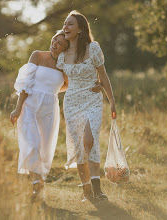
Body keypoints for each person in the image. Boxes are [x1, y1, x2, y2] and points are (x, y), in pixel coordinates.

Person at [10, 31, 102, 202]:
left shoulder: (64, 64)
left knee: (43, 148)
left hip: (49, 109)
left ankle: (39, 185)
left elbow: (72, 83)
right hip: (29, 106)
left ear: (66, 48)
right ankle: (36, 187)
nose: (54, 44)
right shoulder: (37, 56)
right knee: (32, 144)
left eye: (60, 43)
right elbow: (25, 85)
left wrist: (52, 92)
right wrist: (17, 109)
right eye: (54, 40)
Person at [56, 10, 117, 203]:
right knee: (80, 147)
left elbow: (103, 75)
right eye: (65, 23)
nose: (66, 27)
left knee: (90, 140)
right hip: (72, 102)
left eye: (70, 24)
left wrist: (112, 101)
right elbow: (62, 83)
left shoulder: (93, 48)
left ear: (81, 29)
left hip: (93, 100)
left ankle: (98, 189)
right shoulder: (62, 55)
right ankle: (87, 191)